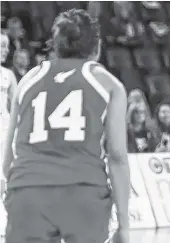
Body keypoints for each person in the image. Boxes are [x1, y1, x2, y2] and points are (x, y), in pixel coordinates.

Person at [1, 9, 130, 243]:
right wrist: (124, 226)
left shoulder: (28, 79)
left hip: (28, 191)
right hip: (82, 191)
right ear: (97, 47)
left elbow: (9, 156)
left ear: (55, 46)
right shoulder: (108, 84)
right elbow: (118, 157)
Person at [0, 31, 17, 197]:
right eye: (1, 46)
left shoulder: (8, 75)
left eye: (6, 46)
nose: (5, 50)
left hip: (4, 128)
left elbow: (17, 105)